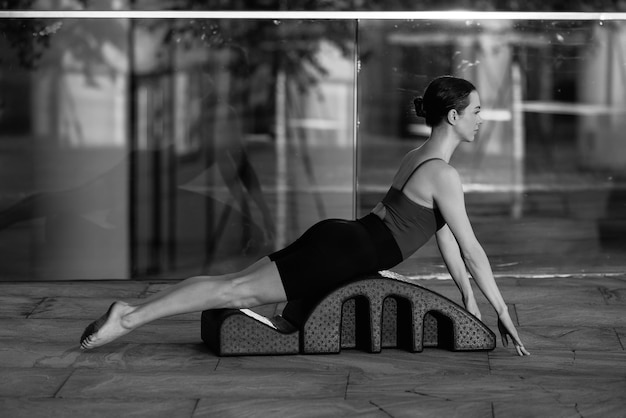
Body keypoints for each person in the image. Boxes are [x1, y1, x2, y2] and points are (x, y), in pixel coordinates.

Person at [80, 75, 530, 356]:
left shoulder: (418, 157)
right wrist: (502, 310)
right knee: (238, 291)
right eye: (475, 112)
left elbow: (445, 235)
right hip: (344, 252)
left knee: (235, 283)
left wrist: (469, 302)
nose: (480, 120)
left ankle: (131, 311)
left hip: (342, 237)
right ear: (452, 116)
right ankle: (128, 319)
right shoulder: (443, 175)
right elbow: (472, 251)